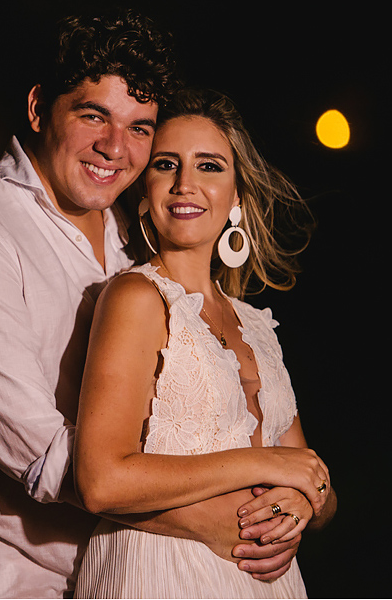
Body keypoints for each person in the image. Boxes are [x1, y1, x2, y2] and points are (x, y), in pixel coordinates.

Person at [0, 11, 305, 598]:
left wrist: (289, 497)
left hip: (121, 570)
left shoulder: (130, 234)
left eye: (141, 128)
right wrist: (217, 520)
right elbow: (45, 457)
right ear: (39, 108)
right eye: (94, 116)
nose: (115, 147)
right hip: (4, 577)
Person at [72, 88, 337, 598]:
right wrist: (265, 465)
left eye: (210, 166)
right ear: (144, 190)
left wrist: (306, 504)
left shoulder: (254, 324)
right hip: (160, 575)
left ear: (236, 194)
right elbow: (100, 481)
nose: (185, 184)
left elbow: (307, 472)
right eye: (166, 165)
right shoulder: (135, 297)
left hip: (264, 582)